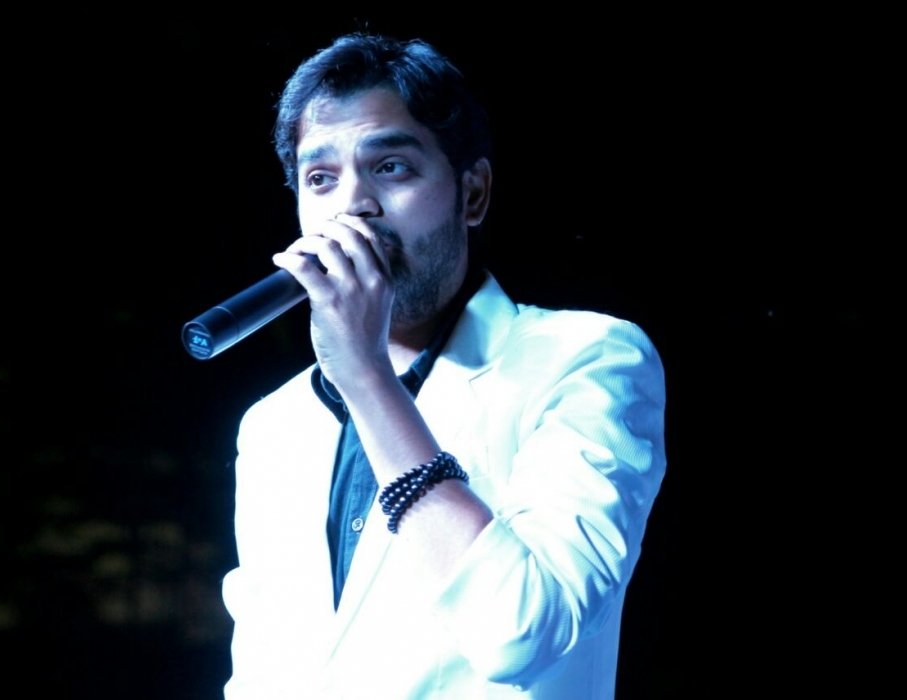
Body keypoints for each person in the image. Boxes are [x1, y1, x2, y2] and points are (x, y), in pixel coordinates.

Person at [221, 33, 666, 700]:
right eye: (321, 179)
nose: (352, 206)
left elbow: (521, 633)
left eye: (391, 167)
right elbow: (262, 675)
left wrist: (366, 377)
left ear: (473, 193)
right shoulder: (273, 425)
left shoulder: (586, 360)